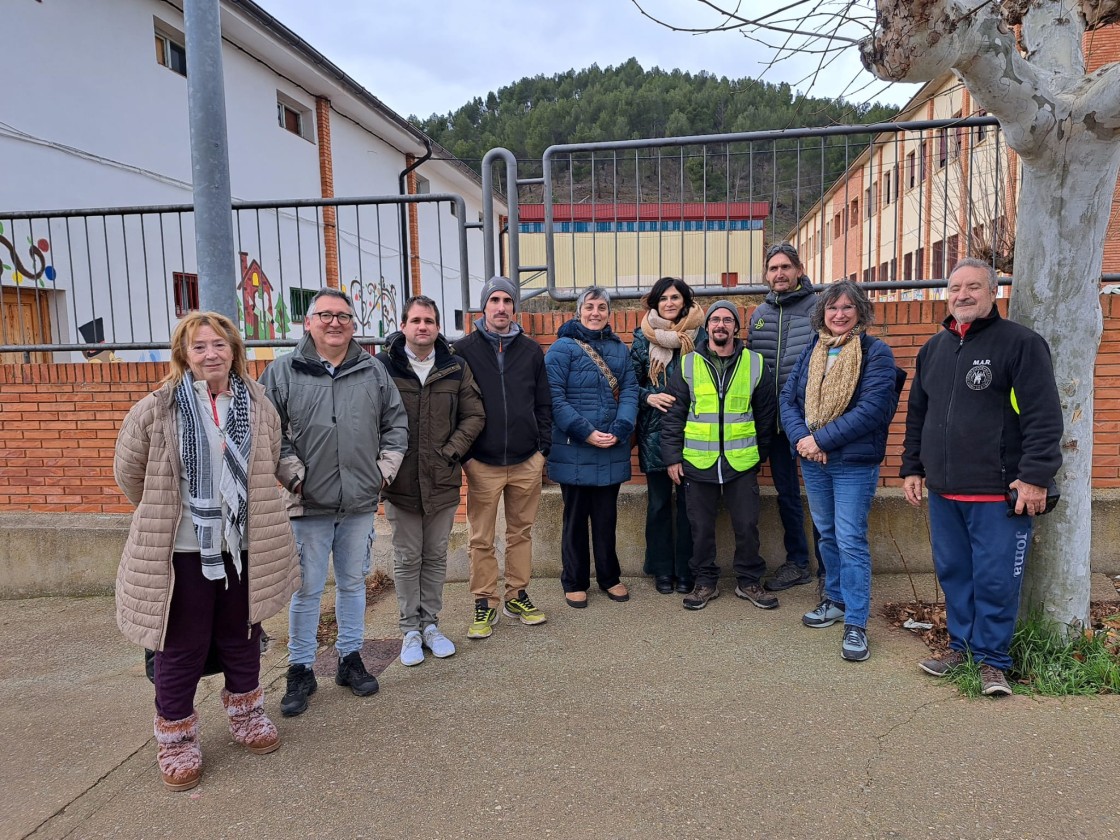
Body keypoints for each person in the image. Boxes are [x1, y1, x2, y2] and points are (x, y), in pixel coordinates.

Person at [114, 311, 299, 791]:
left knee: (242, 636)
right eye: (199, 347)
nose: (211, 354)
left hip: (242, 547)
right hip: (182, 553)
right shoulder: (157, 408)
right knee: (181, 646)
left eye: (219, 345)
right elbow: (130, 474)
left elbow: (269, 458)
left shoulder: (258, 404)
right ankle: (175, 738)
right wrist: (174, 512)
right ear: (184, 355)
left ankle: (246, 715)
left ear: (234, 350)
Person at [902, 258, 1063, 695]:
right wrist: (913, 467)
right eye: (955, 288)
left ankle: (993, 662)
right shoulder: (934, 348)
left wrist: (1035, 477)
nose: (962, 295)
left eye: (973, 287)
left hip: (999, 493)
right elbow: (919, 413)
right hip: (944, 491)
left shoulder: (1021, 345)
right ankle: (961, 648)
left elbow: (1044, 417)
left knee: (995, 580)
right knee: (954, 572)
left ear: (993, 293)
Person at [260, 288, 408, 717]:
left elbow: (395, 425)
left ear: (353, 325)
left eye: (343, 316)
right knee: (305, 590)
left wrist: (383, 472)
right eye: (325, 315)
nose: (334, 323)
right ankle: (301, 668)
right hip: (308, 505)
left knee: (352, 584)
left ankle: (349, 658)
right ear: (309, 322)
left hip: (359, 502)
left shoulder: (372, 372)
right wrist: (294, 478)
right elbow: (272, 433)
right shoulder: (283, 372)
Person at [780, 280, 904, 662]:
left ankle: (856, 622)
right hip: (814, 462)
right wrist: (803, 439)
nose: (839, 314)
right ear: (822, 313)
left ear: (860, 312)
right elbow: (788, 398)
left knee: (850, 539)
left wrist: (820, 441)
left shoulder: (875, 352)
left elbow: (872, 410)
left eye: (847, 308)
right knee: (828, 535)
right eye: (832, 308)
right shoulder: (813, 350)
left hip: (852, 464)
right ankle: (833, 599)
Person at [375, 295, 485, 666]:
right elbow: (369, 418)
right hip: (400, 481)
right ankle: (409, 629)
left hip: (442, 478)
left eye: (429, 321)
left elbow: (474, 415)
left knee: (436, 555)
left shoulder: (455, 367)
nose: (423, 327)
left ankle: (431, 626)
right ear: (404, 325)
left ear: (438, 327)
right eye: (416, 320)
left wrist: (450, 451)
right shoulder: (383, 366)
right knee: (408, 556)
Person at [661, 300, 778, 611]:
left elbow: (766, 416)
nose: (721, 325)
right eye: (715, 320)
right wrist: (672, 457)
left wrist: (757, 455)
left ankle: (749, 581)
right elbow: (674, 415)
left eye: (728, 320)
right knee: (699, 527)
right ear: (707, 326)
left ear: (736, 328)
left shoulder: (754, 363)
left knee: (747, 525)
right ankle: (704, 583)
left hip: (742, 463)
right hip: (698, 462)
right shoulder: (688, 364)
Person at [454, 277, 553, 638]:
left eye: (507, 301)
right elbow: (454, 405)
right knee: (480, 537)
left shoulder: (530, 350)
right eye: (494, 300)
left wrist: (543, 450)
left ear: (515, 308)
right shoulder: (462, 349)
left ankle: (517, 594)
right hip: (482, 462)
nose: (500, 307)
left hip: (527, 459)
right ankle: (484, 602)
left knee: (520, 532)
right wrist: (465, 454)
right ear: (484, 307)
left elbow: (543, 402)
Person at [545, 286, 639, 607]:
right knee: (575, 519)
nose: (595, 312)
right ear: (578, 311)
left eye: (601, 307)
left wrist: (621, 427)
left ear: (609, 313)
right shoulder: (561, 349)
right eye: (589, 307)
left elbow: (629, 390)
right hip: (575, 447)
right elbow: (553, 399)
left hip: (611, 446)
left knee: (605, 518)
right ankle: (574, 580)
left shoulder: (619, 349)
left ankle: (609, 577)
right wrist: (586, 432)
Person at [748, 241, 823, 592]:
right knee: (787, 495)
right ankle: (798, 563)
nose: (779, 273)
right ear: (767, 274)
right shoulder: (758, 314)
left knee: (823, 494)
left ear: (799, 270)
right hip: (775, 425)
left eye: (785, 267)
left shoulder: (819, 308)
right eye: (773, 268)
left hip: (814, 424)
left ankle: (829, 568)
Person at [631, 277, 705, 594]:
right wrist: (648, 396)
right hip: (654, 431)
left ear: (685, 301)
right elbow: (628, 383)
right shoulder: (641, 337)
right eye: (664, 298)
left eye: (676, 297)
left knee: (691, 505)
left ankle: (687, 570)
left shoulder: (701, 336)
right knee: (659, 504)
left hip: (694, 431)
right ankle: (662, 569)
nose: (670, 303)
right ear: (655, 303)